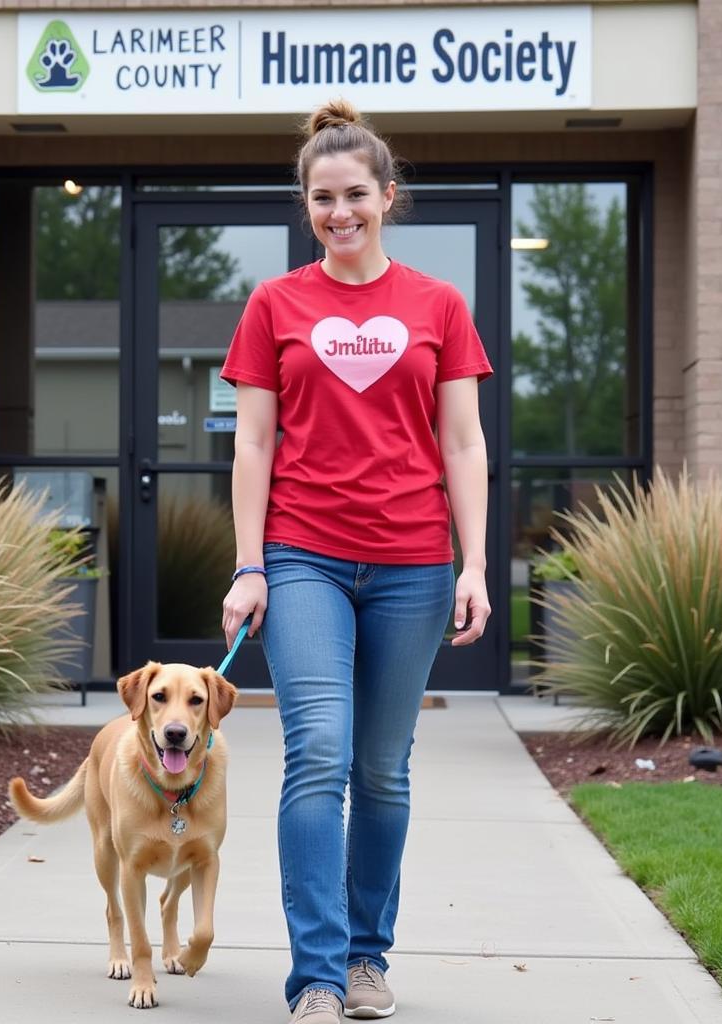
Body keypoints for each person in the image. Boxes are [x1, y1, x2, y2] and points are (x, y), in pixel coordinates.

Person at [220, 99, 493, 1024]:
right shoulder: (276, 304)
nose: (340, 213)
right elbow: (253, 444)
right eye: (321, 199)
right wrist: (249, 564)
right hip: (304, 558)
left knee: (382, 768)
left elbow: (463, 443)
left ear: (388, 196)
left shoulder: (438, 305)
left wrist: (476, 564)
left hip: (415, 561)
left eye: (356, 196)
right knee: (319, 755)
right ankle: (320, 979)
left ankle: (370, 958)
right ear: (307, 206)